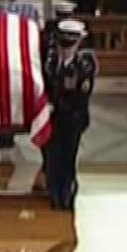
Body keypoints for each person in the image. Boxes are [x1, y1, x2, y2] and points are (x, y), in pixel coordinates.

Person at [43, 18, 97, 211]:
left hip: (72, 121)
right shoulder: (51, 61)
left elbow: (80, 98)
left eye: (69, 45)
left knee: (67, 159)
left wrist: (55, 106)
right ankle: (53, 194)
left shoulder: (85, 65)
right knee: (52, 159)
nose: (65, 49)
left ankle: (65, 196)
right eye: (62, 44)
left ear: (78, 43)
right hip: (52, 121)